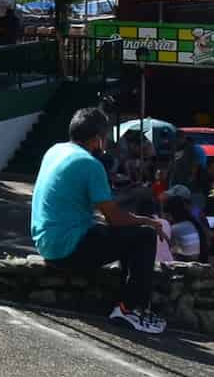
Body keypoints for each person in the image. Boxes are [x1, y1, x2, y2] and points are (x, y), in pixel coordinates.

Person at [31, 106, 166, 334]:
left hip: (46, 243)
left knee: (126, 237)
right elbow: (114, 218)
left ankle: (127, 304)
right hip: (68, 250)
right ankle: (129, 309)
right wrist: (148, 221)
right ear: (97, 140)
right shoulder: (90, 164)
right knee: (144, 236)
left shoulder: (55, 150)